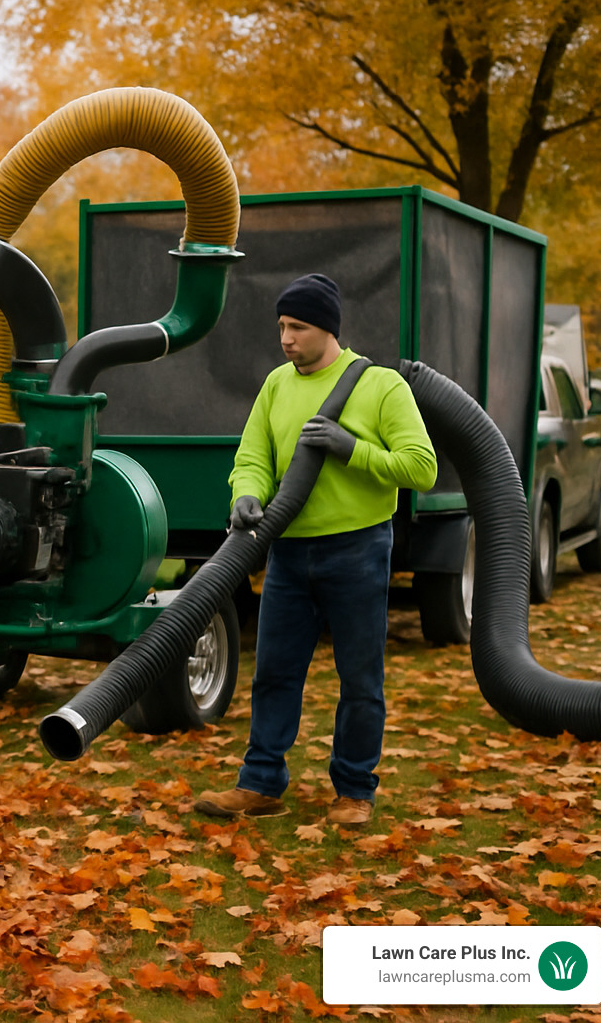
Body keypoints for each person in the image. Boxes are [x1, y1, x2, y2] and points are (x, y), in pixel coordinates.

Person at [193, 273, 437, 826]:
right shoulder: (277, 385)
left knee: (359, 678)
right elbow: (251, 457)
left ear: (326, 327)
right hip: (288, 553)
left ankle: (354, 791)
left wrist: (353, 449)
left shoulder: (379, 386)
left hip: (359, 550)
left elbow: (422, 467)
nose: (286, 337)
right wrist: (248, 495)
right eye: (281, 326)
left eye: (297, 327)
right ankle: (260, 784)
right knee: (275, 672)